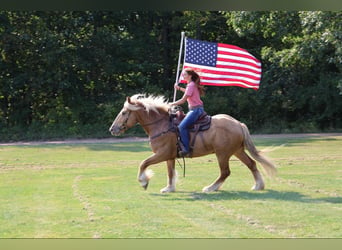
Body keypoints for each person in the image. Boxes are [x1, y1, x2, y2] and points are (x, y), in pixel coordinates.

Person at [170, 69, 205, 157]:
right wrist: (179, 88)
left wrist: (171, 104)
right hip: (197, 109)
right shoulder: (192, 85)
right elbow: (188, 92)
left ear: (189, 76)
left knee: (181, 126)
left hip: (195, 110)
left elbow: (183, 100)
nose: (183, 76)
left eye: (185, 75)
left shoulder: (191, 85)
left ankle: (186, 149)